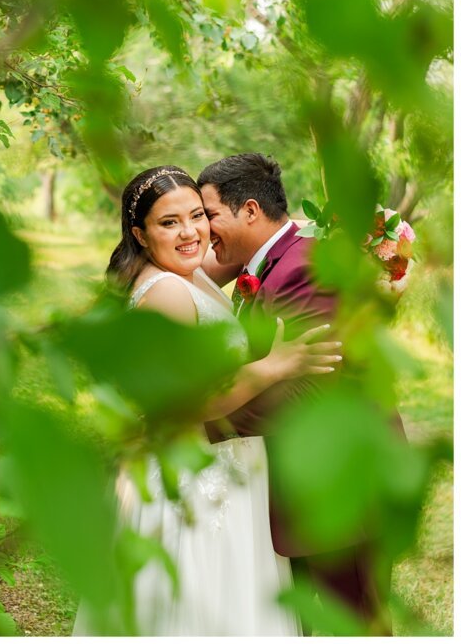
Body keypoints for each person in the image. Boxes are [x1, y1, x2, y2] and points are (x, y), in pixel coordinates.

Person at [73, 165, 340, 635]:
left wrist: (371, 244)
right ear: (140, 232)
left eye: (198, 215)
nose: (191, 232)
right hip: (198, 482)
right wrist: (272, 366)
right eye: (169, 222)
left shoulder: (188, 272)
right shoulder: (167, 292)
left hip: (226, 468)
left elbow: (265, 241)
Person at [197, 153, 402, 634]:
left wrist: (203, 421)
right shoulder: (272, 262)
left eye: (209, 216)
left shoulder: (302, 267)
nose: (205, 231)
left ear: (249, 210)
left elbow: (305, 389)